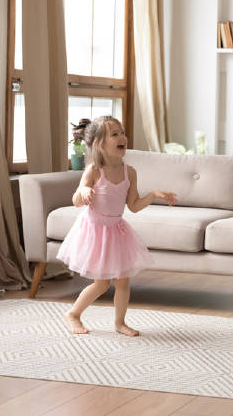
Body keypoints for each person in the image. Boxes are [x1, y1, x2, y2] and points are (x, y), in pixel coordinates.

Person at [57, 116, 177, 336]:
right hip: (94, 231)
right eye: (115, 134)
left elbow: (133, 206)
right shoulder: (94, 170)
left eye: (122, 132)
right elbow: (76, 200)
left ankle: (119, 323)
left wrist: (153, 195)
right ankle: (73, 314)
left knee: (123, 282)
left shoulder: (129, 172)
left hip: (117, 231)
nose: (122, 137)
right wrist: (83, 192)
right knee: (101, 284)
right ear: (98, 144)